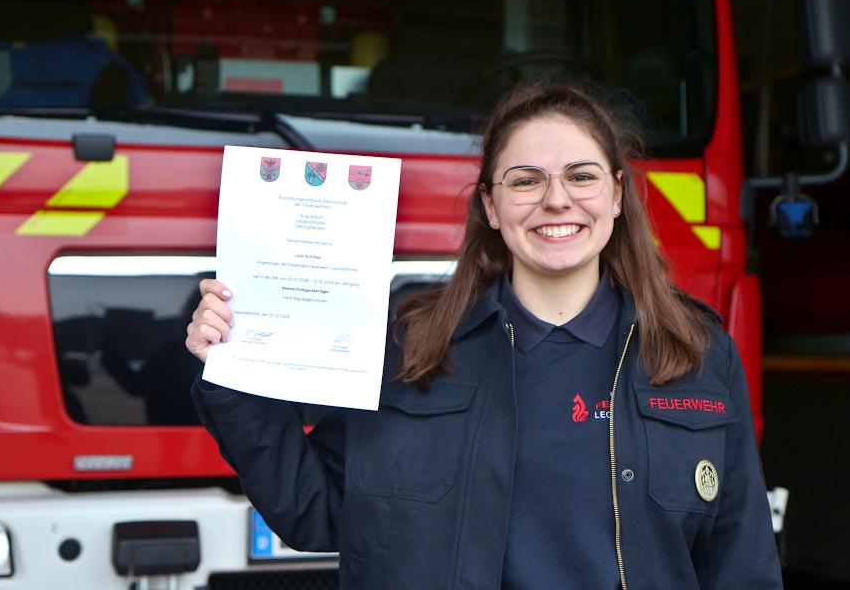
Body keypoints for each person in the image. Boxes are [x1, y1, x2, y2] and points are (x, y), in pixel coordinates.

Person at [185, 82, 782, 589]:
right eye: (525, 181)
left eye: (582, 176)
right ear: (491, 208)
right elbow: (318, 511)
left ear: (618, 195)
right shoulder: (413, 348)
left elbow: (742, 562)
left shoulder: (696, 352)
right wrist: (235, 370)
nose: (556, 199)